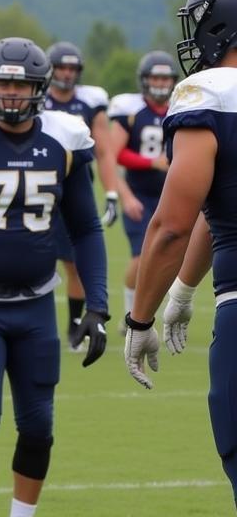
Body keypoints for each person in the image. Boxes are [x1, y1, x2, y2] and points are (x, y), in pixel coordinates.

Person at [123, 0, 237, 517]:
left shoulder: (211, 95)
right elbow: (210, 218)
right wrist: (186, 290)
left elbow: (172, 216)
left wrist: (139, 316)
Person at [0, 38, 108, 517]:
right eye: (3, 83)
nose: (12, 94)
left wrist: (98, 303)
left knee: (38, 424)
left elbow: (85, 226)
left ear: (40, 90)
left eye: (21, 84)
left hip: (38, 303)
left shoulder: (63, 140)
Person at [44, 41, 126, 347]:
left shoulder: (90, 104)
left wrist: (113, 193)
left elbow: (104, 152)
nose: (66, 73)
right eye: (61, 67)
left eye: (72, 68)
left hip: (72, 192)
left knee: (74, 263)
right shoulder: (35, 98)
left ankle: (75, 325)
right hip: (34, 187)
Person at [105, 51, 178, 327]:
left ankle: (157, 310)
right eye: (155, 77)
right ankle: (129, 313)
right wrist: (127, 195)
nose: (160, 83)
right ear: (144, 80)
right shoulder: (132, 112)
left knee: (170, 256)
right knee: (141, 255)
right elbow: (113, 155)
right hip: (139, 193)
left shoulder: (180, 108)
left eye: (165, 77)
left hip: (171, 195)